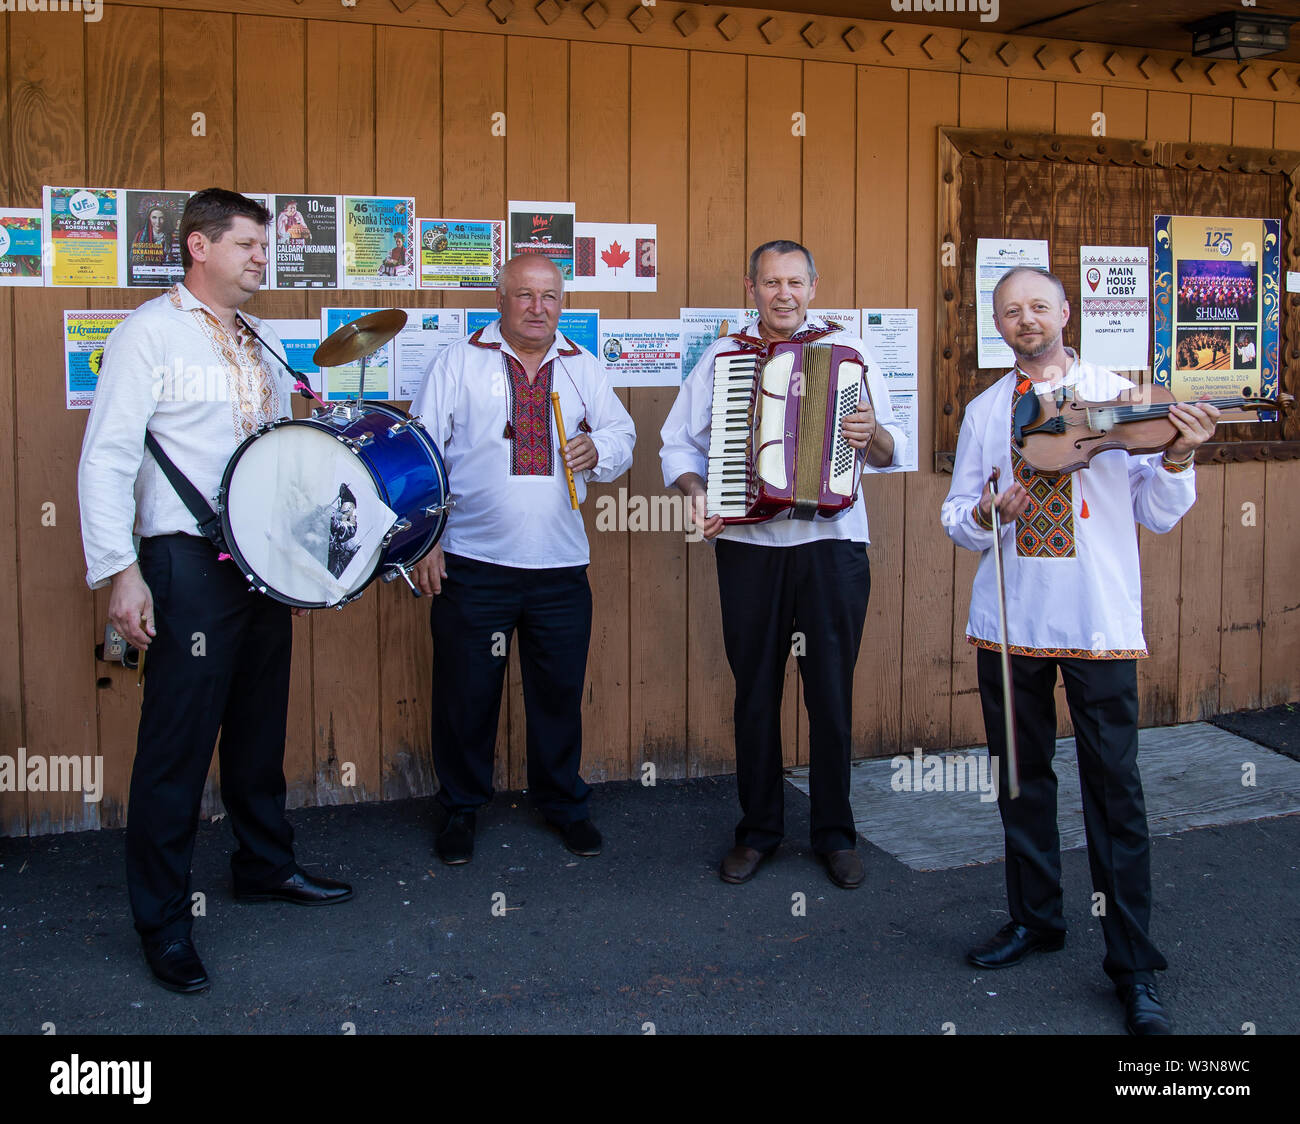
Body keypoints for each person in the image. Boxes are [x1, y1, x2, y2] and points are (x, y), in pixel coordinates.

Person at [78, 188, 352, 995]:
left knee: (259, 730)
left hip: (260, 562)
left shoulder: (259, 340)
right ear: (198, 247)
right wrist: (118, 571)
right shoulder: (146, 334)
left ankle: (264, 865)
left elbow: (264, 458)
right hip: (184, 565)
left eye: (264, 247)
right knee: (176, 749)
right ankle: (162, 923)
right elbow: (107, 458)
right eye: (247, 245)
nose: (262, 258)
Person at [941, 266, 1219, 1035]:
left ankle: (1133, 964)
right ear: (997, 325)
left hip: (1097, 622)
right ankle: (1036, 920)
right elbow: (956, 514)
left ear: (1065, 311)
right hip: (1009, 619)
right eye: (1009, 311)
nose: (1025, 319)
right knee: (1021, 781)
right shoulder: (986, 409)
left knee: (1115, 793)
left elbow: (1157, 515)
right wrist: (991, 511)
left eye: (1037, 305)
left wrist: (1179, 458)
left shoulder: (1122, 398)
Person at [659, 240, 905, 889]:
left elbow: (891, 447)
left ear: (813, 288)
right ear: (752, 288)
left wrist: (869, 435)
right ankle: (759, 830)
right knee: (755, 695)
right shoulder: (722, 358)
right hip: (749, 551)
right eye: (771, 282)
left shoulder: (850, 356)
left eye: (795, 281)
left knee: (830, 695)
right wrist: (697, 493)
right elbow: (675, 444)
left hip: (834, 547)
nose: (784, 294)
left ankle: (835, 834)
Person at [409, 254, 635, 864]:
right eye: (525, 295)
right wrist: (426, 543)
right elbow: (421, 454)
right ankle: (460, 809)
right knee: (466, 696)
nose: (539, 308)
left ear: (563, 303)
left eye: (550, 297)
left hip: (560, 565)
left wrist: (600, 449)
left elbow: (623, 435)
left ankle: (563, 803)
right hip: (472, 562)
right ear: (501, 299)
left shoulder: (581, 366)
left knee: (558, 693)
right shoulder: (458, 361)